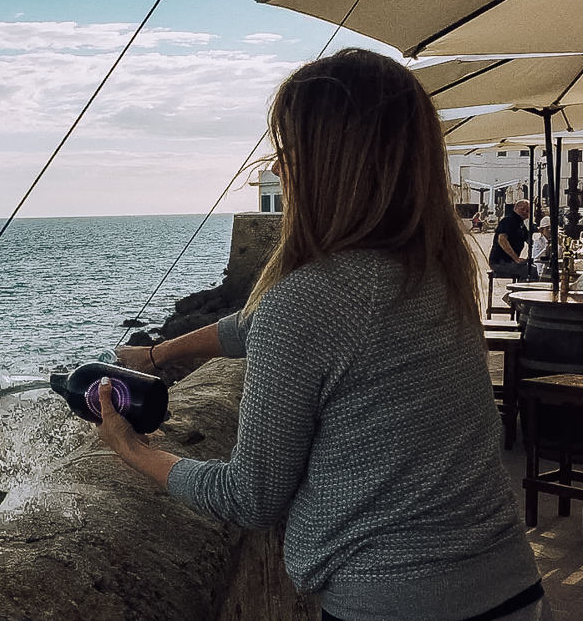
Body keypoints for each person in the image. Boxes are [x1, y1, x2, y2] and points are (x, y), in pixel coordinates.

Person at [101, 49, 547, 621]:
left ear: (325, 166)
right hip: (512, 589)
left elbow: (250, 497)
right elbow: (258, 326)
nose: (278, 168)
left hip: (393, 604)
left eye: (288, 152)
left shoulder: (308, 300)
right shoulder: (435, 271)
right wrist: (158, 352)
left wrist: (131, 448)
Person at [489, 199, 532, 279]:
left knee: (531, 266)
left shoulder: (521, 224)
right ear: (515, 208)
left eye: (527, 210)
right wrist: (516, 258)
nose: (525, 212)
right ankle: (522, 289)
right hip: (500, 262)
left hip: (509, 261)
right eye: (522, 209)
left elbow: (529, 240)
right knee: (530, 271)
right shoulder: (508, 220)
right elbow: (502, 240)